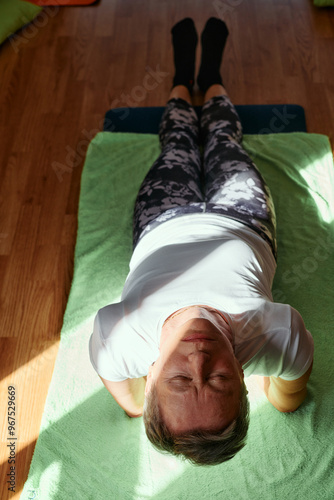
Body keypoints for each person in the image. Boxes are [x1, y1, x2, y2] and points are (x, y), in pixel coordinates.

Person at [89, 17, 314, 465]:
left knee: (177, 142)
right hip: (243, 217)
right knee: (224, 139)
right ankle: (210, 77)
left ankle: (179, 80)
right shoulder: (277, 335)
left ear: (150, 376)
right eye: (218, 382)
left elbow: (130, 401)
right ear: (244, 377)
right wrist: (283, 392)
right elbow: (291, 394)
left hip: (163, 218)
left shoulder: (119, 339)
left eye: (179, 382)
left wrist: (140, 407)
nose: (200, 361)